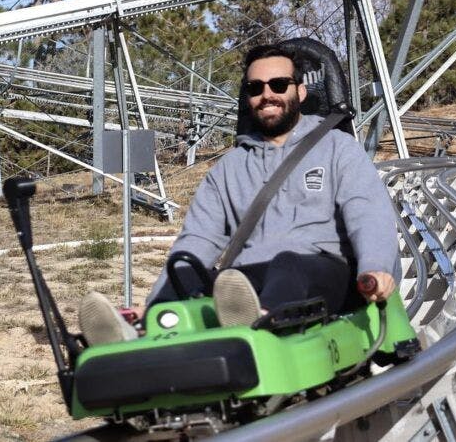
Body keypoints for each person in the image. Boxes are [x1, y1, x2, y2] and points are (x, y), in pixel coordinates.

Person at [79, 43, 399, 346]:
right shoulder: (228, 168)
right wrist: (160, 299)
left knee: (288, 265)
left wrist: (375, 266)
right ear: (248, 98)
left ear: (300, 92)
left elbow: (367, 212)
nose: (267, 95)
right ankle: (143, 329)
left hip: (321, 269)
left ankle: (260, 325)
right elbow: (198, 239)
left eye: (278, 84)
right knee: (191, 270)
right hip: (245, 282)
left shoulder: (337, 148)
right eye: (255, 88)